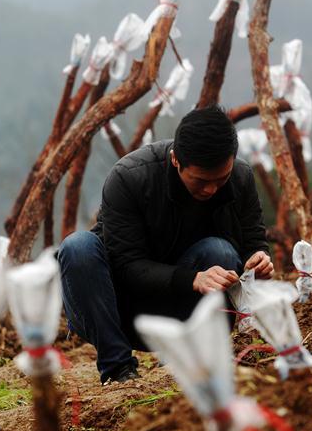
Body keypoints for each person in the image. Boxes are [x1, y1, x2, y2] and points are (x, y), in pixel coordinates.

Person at [57, 106, 274, 384]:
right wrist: (193, 278)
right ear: (175, 160)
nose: (210, 190)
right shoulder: (129, 178)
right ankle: (118, 370)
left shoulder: (240, 177)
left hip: (182, 308)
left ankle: (191, 357)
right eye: (200, 181)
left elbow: (253, 237)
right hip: (118, 311)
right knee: (78, 247)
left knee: (219, 251)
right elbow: (126, 265)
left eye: (220, 180)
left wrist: (259, 257)